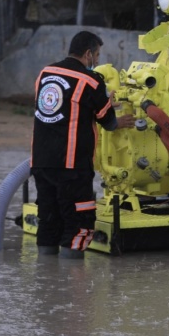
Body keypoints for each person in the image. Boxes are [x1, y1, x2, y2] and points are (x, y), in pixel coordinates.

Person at [30, 31, 135, 259]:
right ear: (88, 54)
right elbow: (108, 123)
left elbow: (64, 107)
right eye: (96, 55)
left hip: (41, 163)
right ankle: (71, 287)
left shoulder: (45, 74)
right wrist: (119, 120)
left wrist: (102, 102)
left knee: (49, 221)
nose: (97, 61)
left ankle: (47, 282)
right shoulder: (91, 81)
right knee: (79, 225)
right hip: (72, 168)